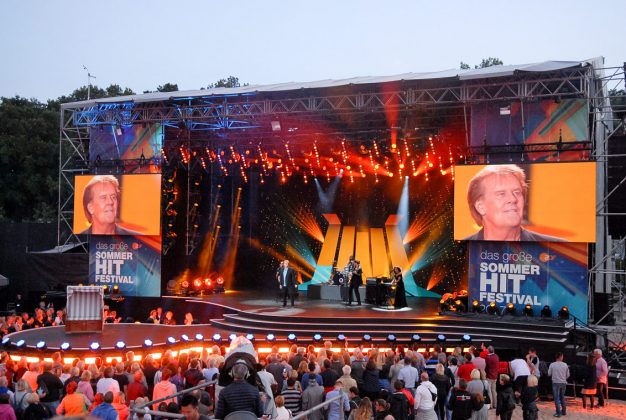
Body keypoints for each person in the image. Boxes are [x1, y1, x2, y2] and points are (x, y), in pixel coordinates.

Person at [464, 164, 565, 241]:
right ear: (480, 206)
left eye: (517, 192)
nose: (513, 199)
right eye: (501, 194)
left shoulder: (555, 249)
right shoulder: (464, 248)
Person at [548, 352, 569, 417]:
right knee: (562, 397)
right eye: (562, 356)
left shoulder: (552, 364)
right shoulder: (565, 364)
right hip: (563, 383)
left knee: (556, 398)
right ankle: (564, 412)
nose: (563, 357)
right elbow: (568, 375)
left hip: (555, 383)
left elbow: (549, 374)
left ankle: (558, 413)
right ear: (560, 357)